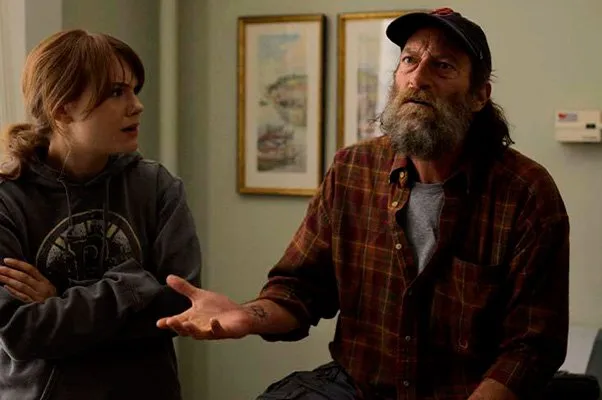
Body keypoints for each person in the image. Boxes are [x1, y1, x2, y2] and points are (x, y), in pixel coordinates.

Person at [158, 7, 570, 400]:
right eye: (409, 60)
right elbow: (300, 289)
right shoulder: (352, 169)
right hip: (357, 387)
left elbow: (532, 346)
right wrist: (246, 316)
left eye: (443, 66)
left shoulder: (525, 192)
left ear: (480, 95)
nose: (418, 78)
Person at [0, 29, 202, 400]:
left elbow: (180, 305)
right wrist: (135, 286)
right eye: (116, 92)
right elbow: (20, 332)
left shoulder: (157, 187)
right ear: (62, 107)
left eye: (135, 90)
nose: (137, 106)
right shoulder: (7, 199)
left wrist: (58, 299)